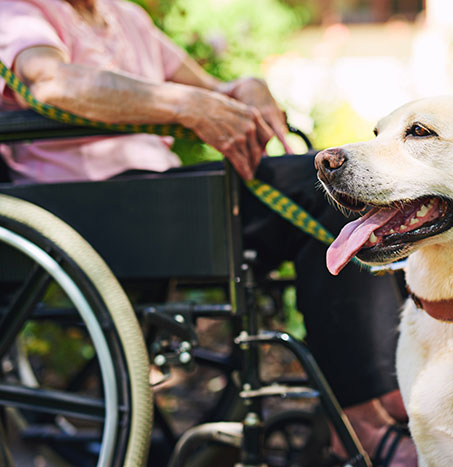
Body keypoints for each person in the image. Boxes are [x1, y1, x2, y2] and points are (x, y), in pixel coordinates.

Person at [0, 0, 416, 464]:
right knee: (320, 187)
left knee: (342, 204)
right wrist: (183, 105)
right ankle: (363, 420)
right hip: (87, 204)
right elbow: (52, 82)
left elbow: (216, 89)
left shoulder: (121, 15)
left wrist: (247, 88)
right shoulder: (19, 11)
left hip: (158, 195)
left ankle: (383, 397)